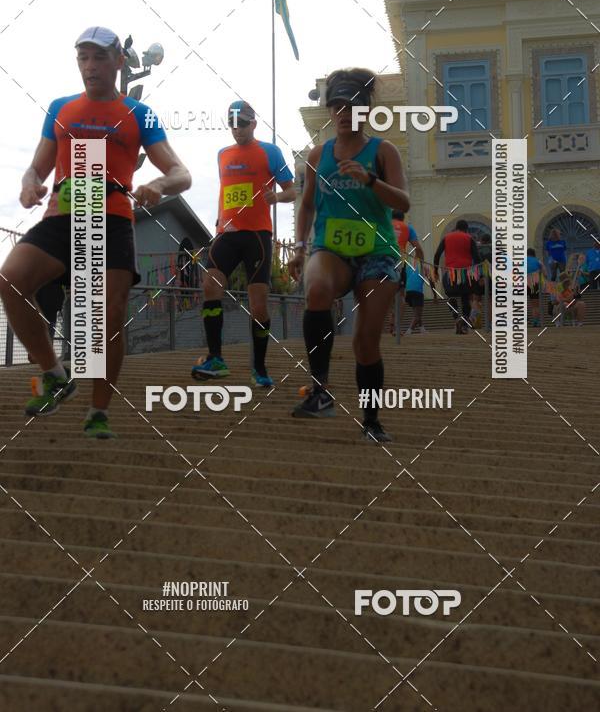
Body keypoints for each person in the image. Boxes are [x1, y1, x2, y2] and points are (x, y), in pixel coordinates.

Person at [0, 26, 191, 436]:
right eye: (83, 58)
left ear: (119, 61)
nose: (90, 66)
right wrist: (29, 184)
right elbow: (37, 167)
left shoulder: (139, 114)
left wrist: (158, 184)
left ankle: (98, 411)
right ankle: (55, 374)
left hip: (112, 218)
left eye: (100, 57)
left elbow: (182, 173)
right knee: (10, 279)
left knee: (108, 316)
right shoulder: (61, 108)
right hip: (62, 217)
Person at [288, 67, 410, 443]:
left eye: (352, 106)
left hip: (376, 252)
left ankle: (371, 421)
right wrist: (299, 247)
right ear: (330, 112)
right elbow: (307, 205)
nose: (344, 113)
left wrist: (370, 180)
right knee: (316, 289)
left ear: (366, 111)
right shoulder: (319, 154)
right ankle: (320, 390)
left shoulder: (383, 151)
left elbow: (403, 202)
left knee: (365, 342)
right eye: (337, 106)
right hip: (331, 248)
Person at [191, 101, 295, 387]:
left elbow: (292, 191)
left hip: (257, 236)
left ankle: (259, 368)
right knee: (210, 285)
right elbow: (225, 190)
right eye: (233, 124)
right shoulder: (222, 154)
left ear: (254, 124)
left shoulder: (270, 151)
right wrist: (218, 221)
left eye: (243, 124)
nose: (237, 129)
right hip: (227, 233)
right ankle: (216, 358)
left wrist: (277, 197)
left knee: (258, 303)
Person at [433, 221, 481, 334]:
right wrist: (479, 275)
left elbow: (437, 254)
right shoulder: (469, 238)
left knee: (451, 297)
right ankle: (464, 324)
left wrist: (435, 270)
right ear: (466, 229)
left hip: (451, 273)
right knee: (465, 298)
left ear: (456, 228)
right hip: (466, 273)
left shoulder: (446, 238)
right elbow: (477, 258)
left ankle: (456, 319)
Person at [391, 211, 423, 335]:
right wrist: (420, 261)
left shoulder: (384, 224)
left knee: (382, 293)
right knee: (400, 295)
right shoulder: (407, 228)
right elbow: (418, 248)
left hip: (381, 261)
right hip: (399, 263)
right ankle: (396, 327)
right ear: (403, 218)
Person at [403, 264, 428, 334]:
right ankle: (409, 330)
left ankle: (422, 328)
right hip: (417, 291)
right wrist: (435, 295)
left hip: (408, 292)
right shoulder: (424, 267)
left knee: (417, 313)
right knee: (417, 315)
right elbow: (431, 281)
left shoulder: (409, 268)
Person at [526, 248, 544, 327]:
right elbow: (544, 272)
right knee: (535, 305)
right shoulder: (537, 261)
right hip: (535, 283)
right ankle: (536, 321)